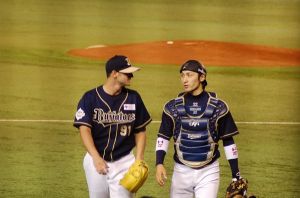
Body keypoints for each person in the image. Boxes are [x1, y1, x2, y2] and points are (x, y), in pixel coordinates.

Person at [155, 60, 243, 198]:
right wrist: (159, 163)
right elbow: (163, 137)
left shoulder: (219, 107)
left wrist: (235, 175)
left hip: (209, 171)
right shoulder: (172, 107)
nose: (185, 80)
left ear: (202, 77)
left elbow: (228, 141)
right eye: (182, 75)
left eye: (189, 75)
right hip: (180, 172)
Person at [73, 55, 152, 198]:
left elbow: (140, 131)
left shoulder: (134, 98)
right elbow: (84, 130)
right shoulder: (90, 98)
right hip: (95, 158)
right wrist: (96, 158)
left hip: (125, 161)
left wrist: (139, 159)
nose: (131, 75)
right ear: (114, 74)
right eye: (127, 73)